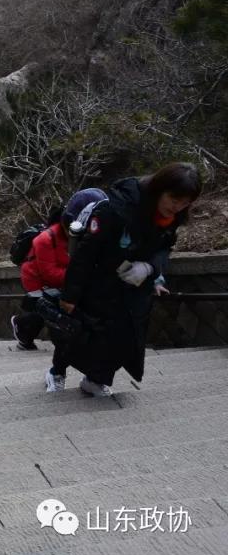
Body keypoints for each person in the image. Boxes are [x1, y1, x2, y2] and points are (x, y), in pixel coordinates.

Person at [49, 163, 203, 396]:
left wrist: (150, 268)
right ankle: (56, 372)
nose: (178, 206)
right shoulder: (118, 207)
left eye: (185, 202)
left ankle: (95, 380)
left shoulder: (172, 218)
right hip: (97, 281)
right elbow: (86, 253)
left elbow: (164, 248)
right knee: (76, 332)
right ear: (159, 190)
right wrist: (71, 295)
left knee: (122, 337)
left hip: (132, 285)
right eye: (174, 199)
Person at [12, 189, 108, 351]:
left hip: (64, 277)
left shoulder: (84, 237)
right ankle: (21, 327)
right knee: (46, 307)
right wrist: (81, 276)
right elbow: (49, 273)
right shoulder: (45, 240)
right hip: (36, 278)